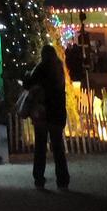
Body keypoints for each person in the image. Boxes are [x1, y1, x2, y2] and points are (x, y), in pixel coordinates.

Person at [23, 44, 70, 190]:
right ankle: (62, 180)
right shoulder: (59, 70)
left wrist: (27, 75)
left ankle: (39, 178)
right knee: (58, 148)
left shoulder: (41, 68)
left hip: (43, 112)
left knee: (40, 147)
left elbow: (28, 84)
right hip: (57, 112)